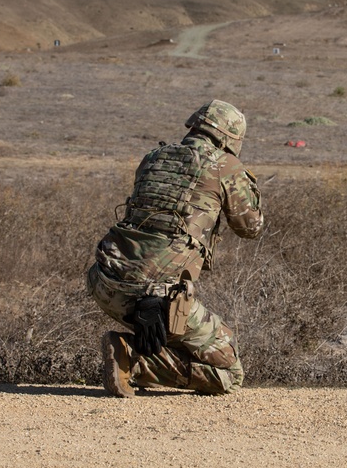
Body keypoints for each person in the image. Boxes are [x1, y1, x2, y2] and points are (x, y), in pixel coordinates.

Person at [86, 99, 265, 397]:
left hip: (105, 281)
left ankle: (140, 354)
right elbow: (250, 227)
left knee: (178, 332)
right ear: (230, 137)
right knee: (229, 374)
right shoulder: (225, 166)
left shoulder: (153, 157)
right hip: (157, 294)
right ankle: (133, 359)